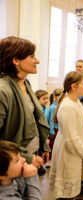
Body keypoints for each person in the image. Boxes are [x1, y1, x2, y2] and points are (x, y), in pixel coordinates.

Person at [0, 36, 50, 169]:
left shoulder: (25, 83)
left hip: (31, 155)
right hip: (12, 163)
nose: (37, 61)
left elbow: (34, 119)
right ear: (16, 60)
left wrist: (43, 145)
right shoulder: (2, 91)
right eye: (31, 56)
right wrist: (27, 158)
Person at [49, 71, 83, 200]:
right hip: (69, 152)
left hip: (77, 150)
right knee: (66, 193)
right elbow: (71, 138)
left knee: (71, 192)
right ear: (74, 87)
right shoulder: (68, 107)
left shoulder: (76, 102)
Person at [47, 88, 63, 162]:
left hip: (60, 129)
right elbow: (51, 121)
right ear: (55, 97)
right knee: (52, 145)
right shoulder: (53, 107)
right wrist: (52, 131)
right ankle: (50, 159)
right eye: (60, 95)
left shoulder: (61, 105)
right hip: (55, 130)